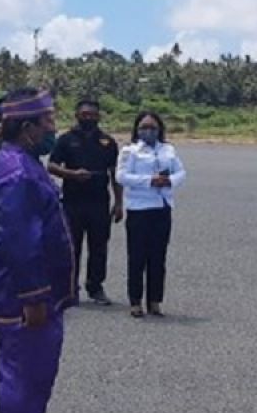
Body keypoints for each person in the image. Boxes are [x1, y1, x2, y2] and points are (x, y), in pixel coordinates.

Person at [0, 87, 74, 413]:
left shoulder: (24, 161)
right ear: (29, 128)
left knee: (35, 372)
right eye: (49, 120)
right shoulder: (17, 172)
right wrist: (34, 297)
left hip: (35, 292)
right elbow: (20, 240)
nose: (54, 126)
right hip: (23, 298)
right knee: (22, 374)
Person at [47, 98, 123, 305]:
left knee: (99, 247)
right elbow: (52, 166)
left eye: (92, 114)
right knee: (72, 248)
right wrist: (71, 174)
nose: (88, 118)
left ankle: (95, 287)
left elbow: (115, 173)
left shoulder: (107, 142)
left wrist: (118, 203)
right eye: (84, 114)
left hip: (99, 202)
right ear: (77, 115)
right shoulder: (66, 139)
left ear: (98, 117)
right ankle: (69, 288)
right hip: (73, 202)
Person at [115, 111, 187, 318]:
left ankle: (155, 301)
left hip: (162, 207)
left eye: (152, 128)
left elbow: (181, 172)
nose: (148, 131)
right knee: (137, 257)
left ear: (159, 129)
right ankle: (135, 301)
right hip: (139, 208)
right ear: (137, 130)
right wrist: (149, 180)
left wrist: (170, 181)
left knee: (158, 258)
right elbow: (121, 176)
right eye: (144, 127)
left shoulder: (168, 150)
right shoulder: (130, 151)